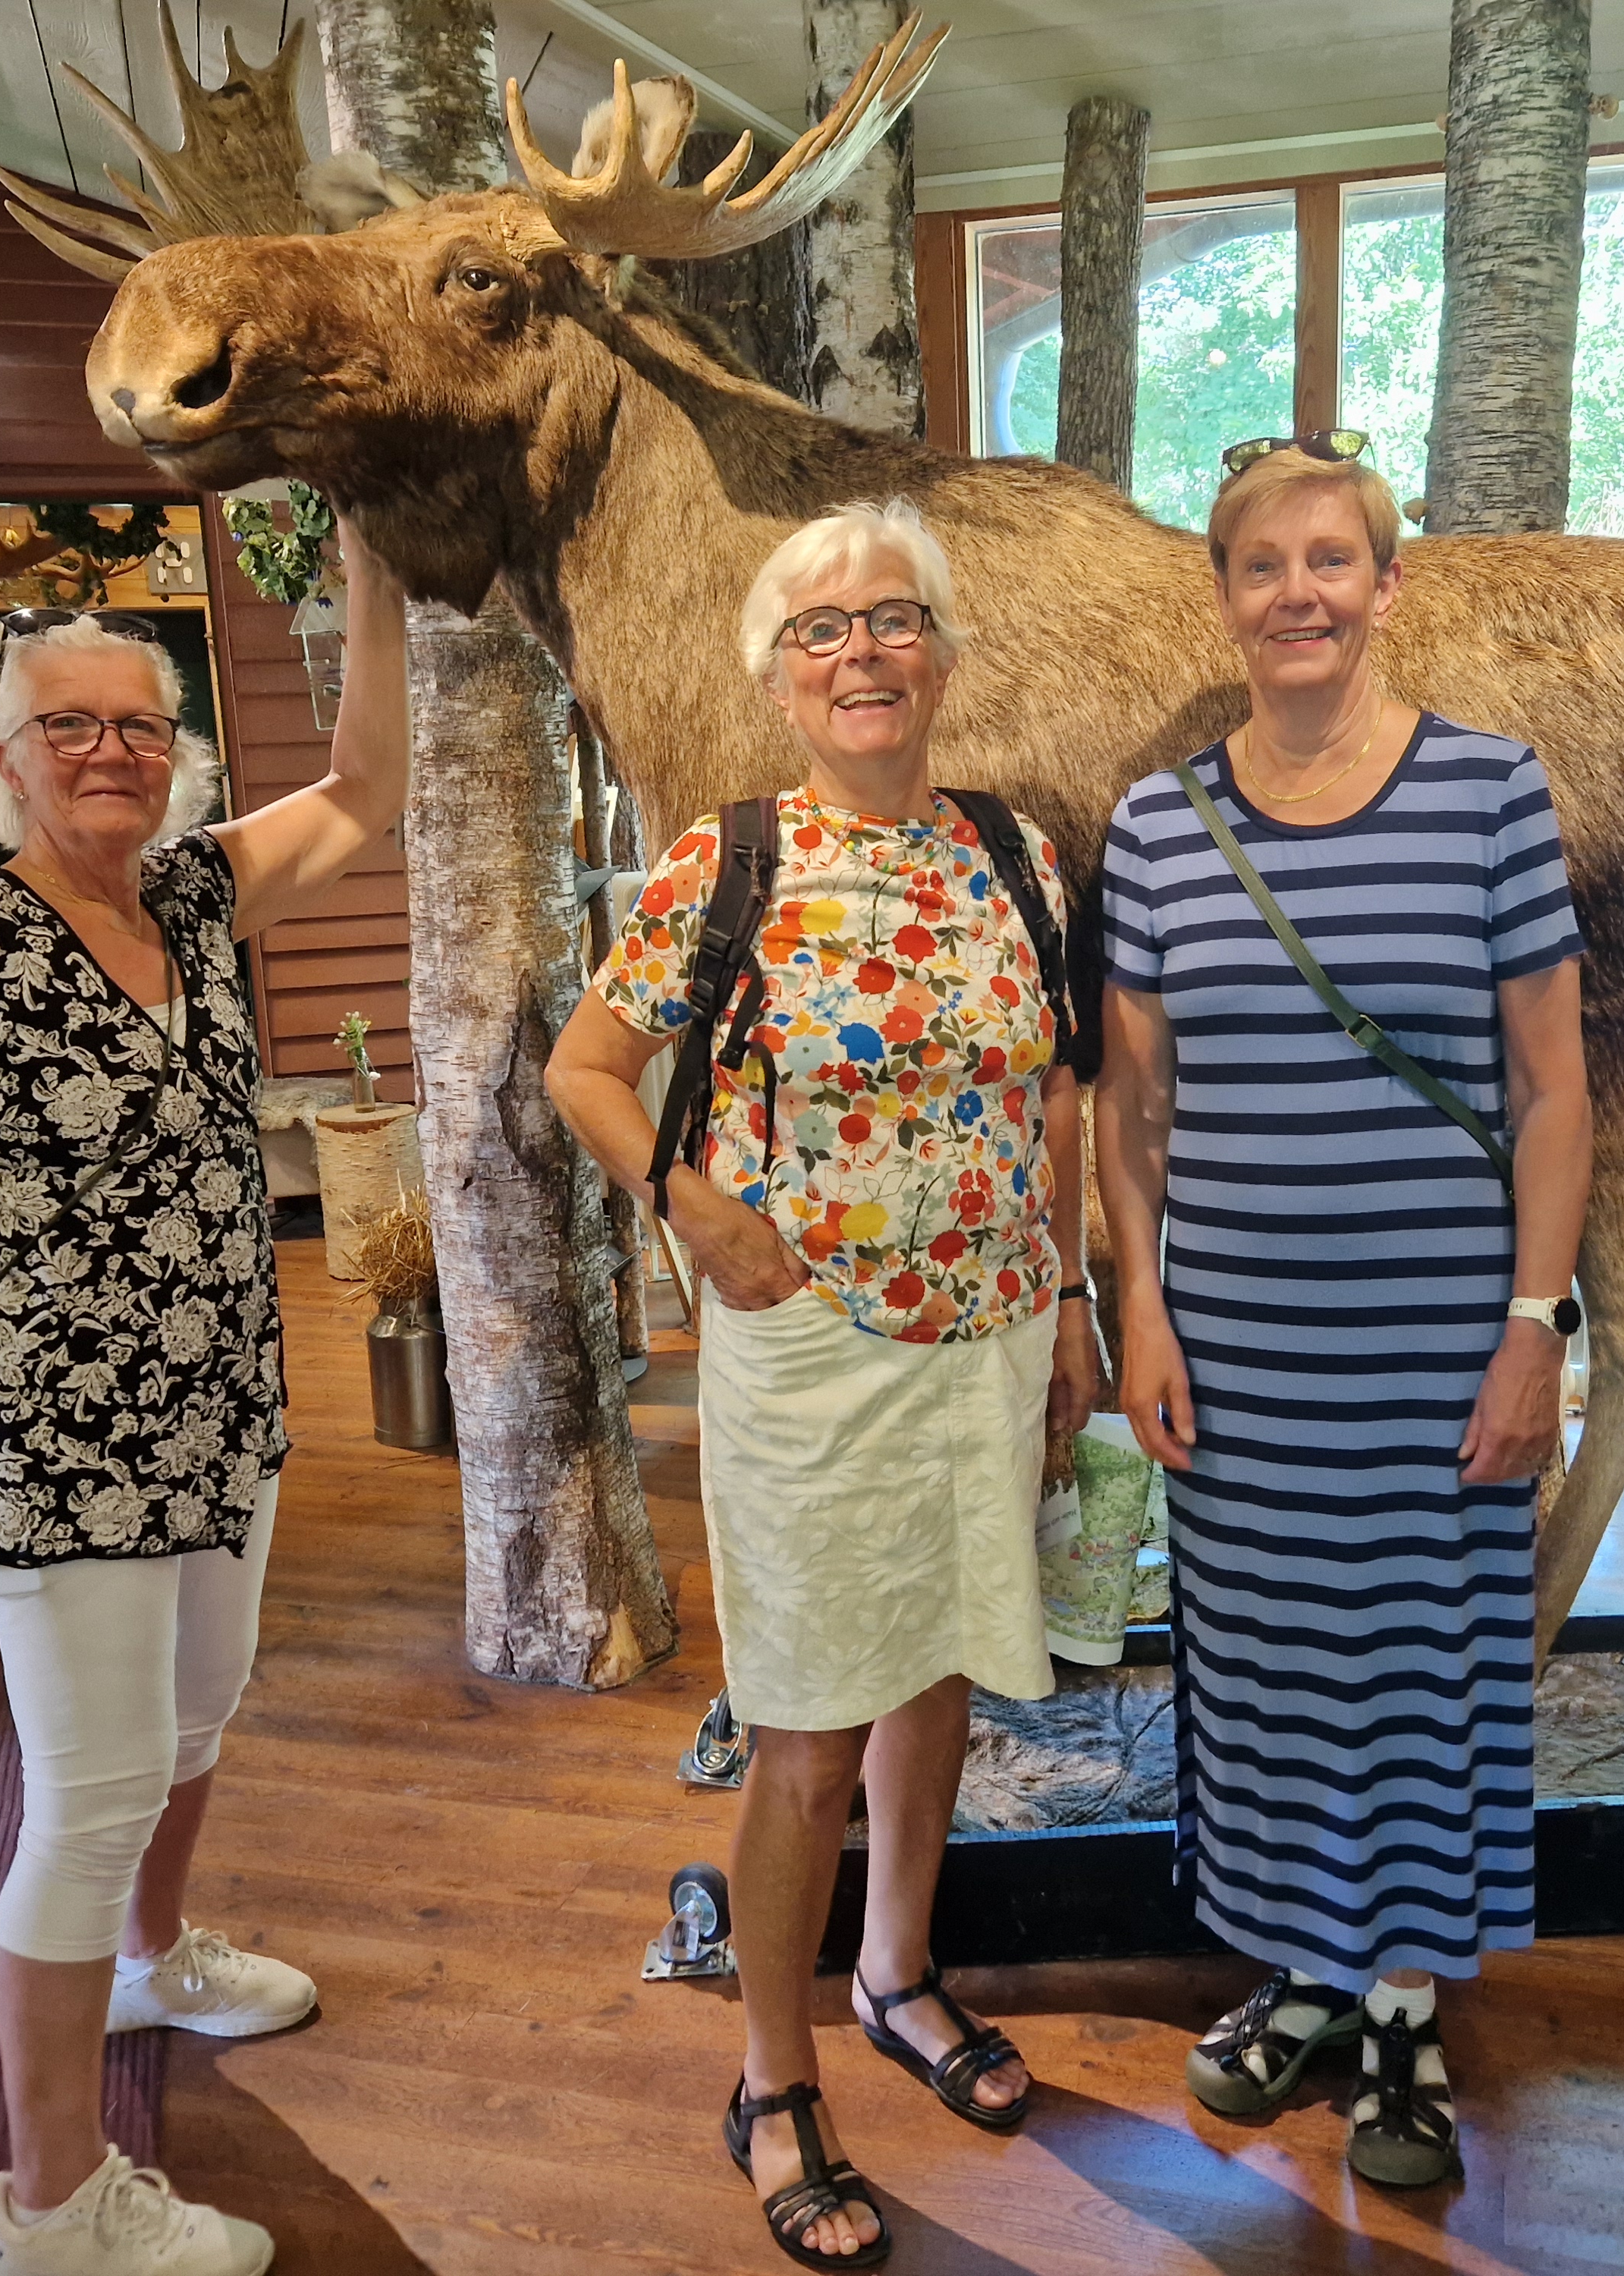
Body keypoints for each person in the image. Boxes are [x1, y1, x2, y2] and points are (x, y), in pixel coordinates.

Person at [0, 549, 411, 2276]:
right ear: (2, 760)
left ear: (177, 758)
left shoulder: (194, 898)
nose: (108, 752)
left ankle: (154, 1960)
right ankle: (54, 2211)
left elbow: (366, 783)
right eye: (66, 726)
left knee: (196, 1720)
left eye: (139, 727)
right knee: (87, 1797)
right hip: (64, 1443)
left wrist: (368, 561)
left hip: (218, 1408)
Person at [547, 499, 1100, 2271]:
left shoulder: (1015, 856)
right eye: (821, 629)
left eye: (891, 618)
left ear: (938, 654)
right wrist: (690, 1202)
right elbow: (584, 1068)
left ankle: (895, 1972)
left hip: (989, 1332)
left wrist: (1070, 1301)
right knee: (806, 1726)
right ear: (779, 678)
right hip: (810, 1350)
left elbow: (1055, 1095)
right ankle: (770, 2076)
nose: (861, 650)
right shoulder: (722, 864)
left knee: (937, 1669)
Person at [1093, 434, 1591, 2189]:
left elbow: (1551, 1088)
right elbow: (1130, 1109)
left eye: (1329, 560)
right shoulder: (1156, 826)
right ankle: (1307, 1970)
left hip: (1436, 1343)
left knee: (1419, 1670)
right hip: (1235, 1349)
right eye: (1261, 564)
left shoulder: (1489, 793)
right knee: (1267, 1672)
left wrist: (1532, 1324)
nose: (1295, 592)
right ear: (1223, 596)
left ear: (1385, 586)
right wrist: (1141, 1313)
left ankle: (1400, 2013)